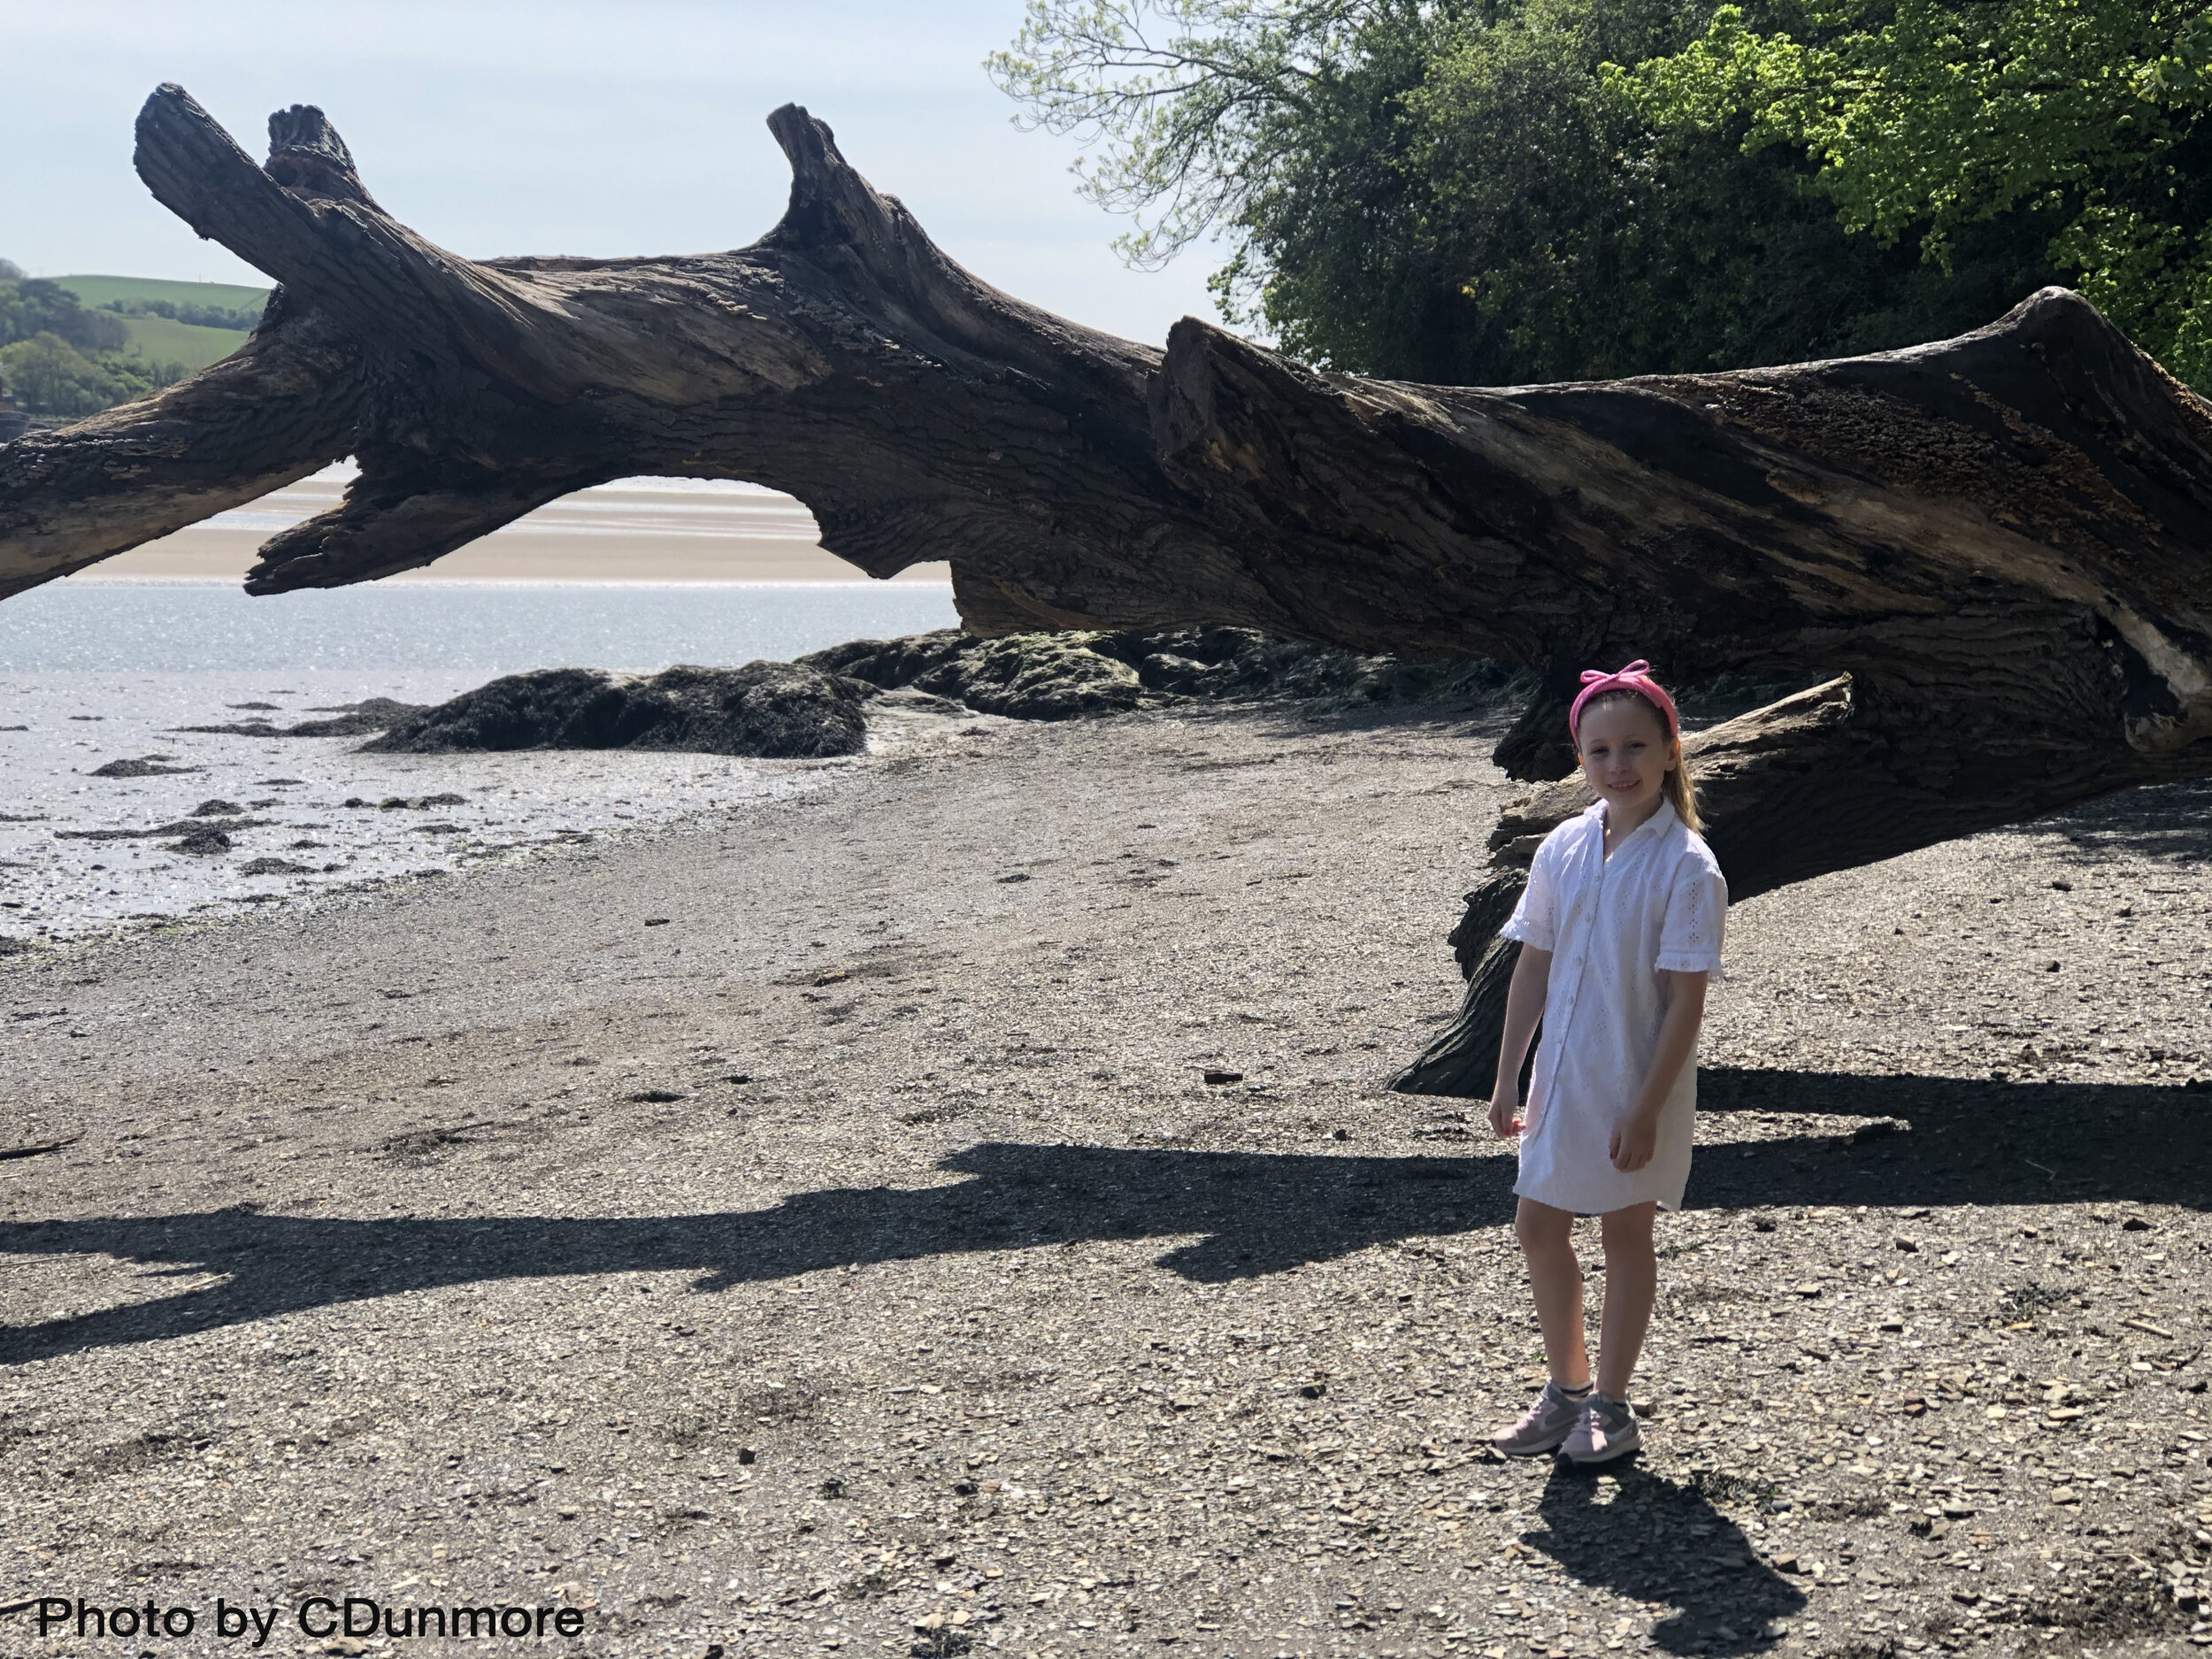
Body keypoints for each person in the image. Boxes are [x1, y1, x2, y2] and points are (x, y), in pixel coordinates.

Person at [1484, 660, 1727, 1465]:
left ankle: (1614, 1406)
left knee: (1626, 1234)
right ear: (1579, 759)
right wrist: (1507, 1073)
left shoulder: (1688, 866)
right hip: (1561, 1076)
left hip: (1636, 1080)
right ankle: (1566, 1388)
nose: (1617, 766)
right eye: (1600, 751)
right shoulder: (1562, 844)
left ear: (1668, 751)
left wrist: (1646, 1107)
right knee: (1537, 1223)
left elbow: (1685, 1001)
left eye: (1634, 747)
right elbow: (1532, 965)